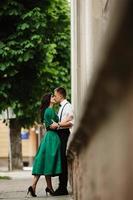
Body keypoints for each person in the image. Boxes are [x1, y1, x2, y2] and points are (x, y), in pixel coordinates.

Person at [27, 93, 62, 197]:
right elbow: (52, 126)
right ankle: (47, 188)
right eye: (52, 97)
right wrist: (61, 123)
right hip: (52, 138)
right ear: (48, 100)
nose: (54, 98)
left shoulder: (48, 110)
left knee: (45, 162)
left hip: (48, 137)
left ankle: (36, 186)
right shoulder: (49, 111)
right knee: (48, 162)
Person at [52, 87, 74, 196]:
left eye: (55, 95)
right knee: (61, 161)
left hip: (64, 134)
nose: (54, 97)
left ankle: (62, 188)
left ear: (60, 95)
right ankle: (61, 186)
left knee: (63, 161)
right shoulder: (61, 107)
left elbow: (71, 122)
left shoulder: (68, 106)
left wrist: (58, 124)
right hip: (60, 134)